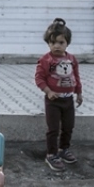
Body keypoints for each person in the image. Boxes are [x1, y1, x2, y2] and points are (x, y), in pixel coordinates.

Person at [35, 18, 83, 171]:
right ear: (48, 43)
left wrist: (79, 92)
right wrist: (48, 91)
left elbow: (76, 76)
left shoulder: (71, 59)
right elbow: (39, 78)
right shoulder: (45, 60)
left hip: (68, 100)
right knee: (53, 129)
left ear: (67, 43)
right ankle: (51, 154)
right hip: (53, 101)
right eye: (53, 42)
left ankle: (63, 149)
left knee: (68, 126)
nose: (56, 46)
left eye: (61, 42)